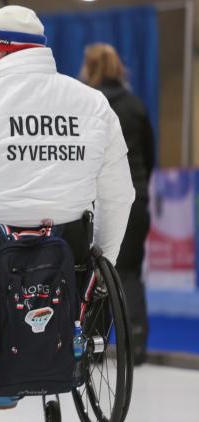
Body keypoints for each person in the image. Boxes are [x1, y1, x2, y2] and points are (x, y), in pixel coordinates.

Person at [0, 5, 134, 410]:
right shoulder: (93, 105)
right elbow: (119, 195)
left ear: (0, 51)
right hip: (67, 259)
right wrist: (97, 270)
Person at [80, 43, 154, 365]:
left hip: (96, 199)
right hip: (135, 198)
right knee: (130, 271)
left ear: (89, 69)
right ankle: (135, 344)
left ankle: (95, 342)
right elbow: (149, 156)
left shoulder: (86, 106)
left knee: (96, 270)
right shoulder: (135, 105)